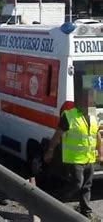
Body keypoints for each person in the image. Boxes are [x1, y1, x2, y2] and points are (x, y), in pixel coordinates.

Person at [44, 88, 103, 219]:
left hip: (89, 157)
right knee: (77, 183)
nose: (90, 103)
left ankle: (85, 211)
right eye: (87, 100)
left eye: (92, 100)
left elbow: (97, 133)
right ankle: (53, 202)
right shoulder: (69, 115)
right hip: (74, 158)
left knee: (87, 185)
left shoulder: (92, 114)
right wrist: (50, 150)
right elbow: (57, 134)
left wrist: (100, 153)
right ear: (80, 100)